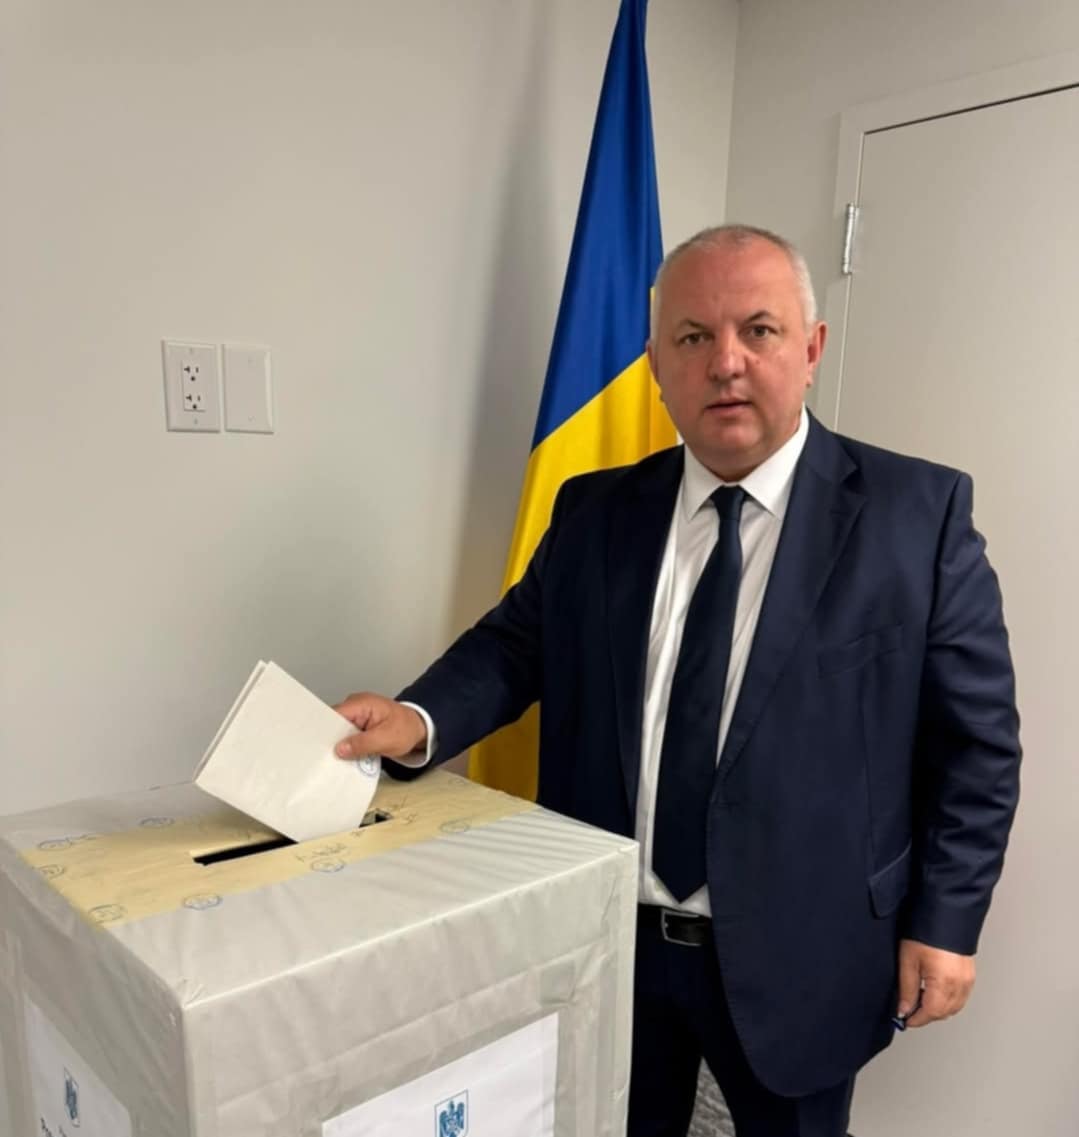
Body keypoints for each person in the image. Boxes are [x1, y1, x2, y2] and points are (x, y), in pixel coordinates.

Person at [332, 225, 1021, 1137]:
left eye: (758, 330)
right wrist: (415, 717)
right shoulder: (594, 509)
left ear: (810, 348)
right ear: (657, 364)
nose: (724, 362)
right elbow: (515, 645)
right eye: (692, 336)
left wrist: (945, 921)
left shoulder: (915, 515)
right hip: (611, 939)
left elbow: (976, 749)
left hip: (806, 950)